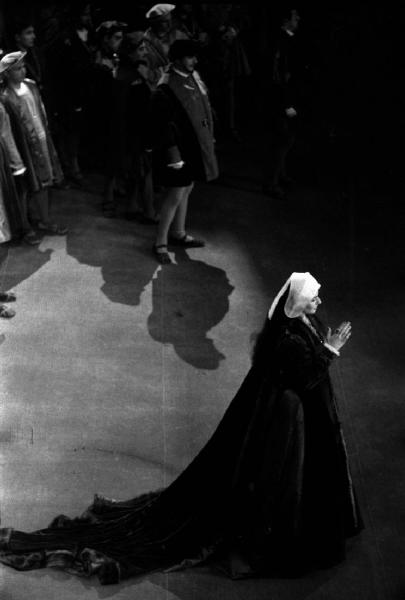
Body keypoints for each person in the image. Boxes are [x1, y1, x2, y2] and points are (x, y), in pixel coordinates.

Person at [0, 272, 363, 584]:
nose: (318, 302)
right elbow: (304, 377)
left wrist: (325, 346)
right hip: (287, 426)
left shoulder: (299, 325)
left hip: (298, 418)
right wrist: (330, 350)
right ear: (299, 302)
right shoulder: (287, 338)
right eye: (313, 297)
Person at [149, 39, 218, 264]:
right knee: (175, 193)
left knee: (187, 188)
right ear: (178, 59)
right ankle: (160, 242)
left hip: (192, 145)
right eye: (190, 57)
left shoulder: (191, 77)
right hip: (176, 150)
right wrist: (173, 154)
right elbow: (162, 124)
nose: (194, 61)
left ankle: (178, 233)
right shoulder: (166, 86)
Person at [0, 51, 67, 235]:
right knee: (25, 187)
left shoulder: (31, 86)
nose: (23, 71)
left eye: (23, 67)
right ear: (6, 73)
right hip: (23, 147)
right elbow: (7, 130)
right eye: (17, 69)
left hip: (41, 139)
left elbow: (41, 111)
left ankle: (44, 219)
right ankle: (25, 226)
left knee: (44, 181)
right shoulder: (5, 97)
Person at [262, 8, 301, 199]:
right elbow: (278, 75)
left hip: (283, 97)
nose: (298, 19)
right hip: (280, 99)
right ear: (286, 20)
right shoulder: (280, 41)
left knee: (285, 138)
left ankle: (280, 175)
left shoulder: (285, 39)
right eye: (295, 17)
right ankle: (272, 182)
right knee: (282, 139)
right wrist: (287, 103)